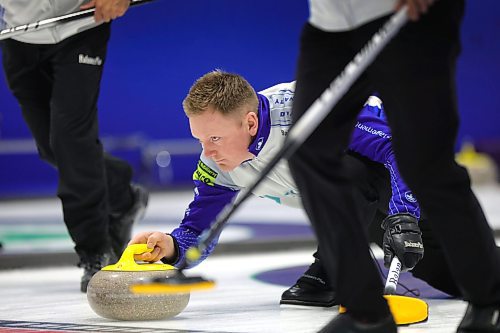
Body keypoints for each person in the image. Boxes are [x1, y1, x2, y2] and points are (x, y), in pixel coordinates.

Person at [129, 70, 486, 304]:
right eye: (200, 139)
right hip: (357, 211)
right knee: (460, 279)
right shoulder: (217, 164)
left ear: (250, 122)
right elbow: (198, 232)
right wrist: (173, 247)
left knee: (484, 278)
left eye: (216, 138)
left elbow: (398, 148)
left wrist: (404, 214)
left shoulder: (310, 113)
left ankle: (332, 268)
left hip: (410, 184)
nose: (207, 152)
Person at [287, 0, 500, 332]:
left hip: (406, 15)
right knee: (308, 151)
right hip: (330, 23)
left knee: (424, 162)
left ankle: (490, 300)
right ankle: (367, 312)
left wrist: (403, 213)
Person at [0, 0, 147, 293]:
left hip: (80, 25)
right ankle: (122, 194)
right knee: (53, 149)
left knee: (71, 143)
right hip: (18, 36)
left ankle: (95, 251)